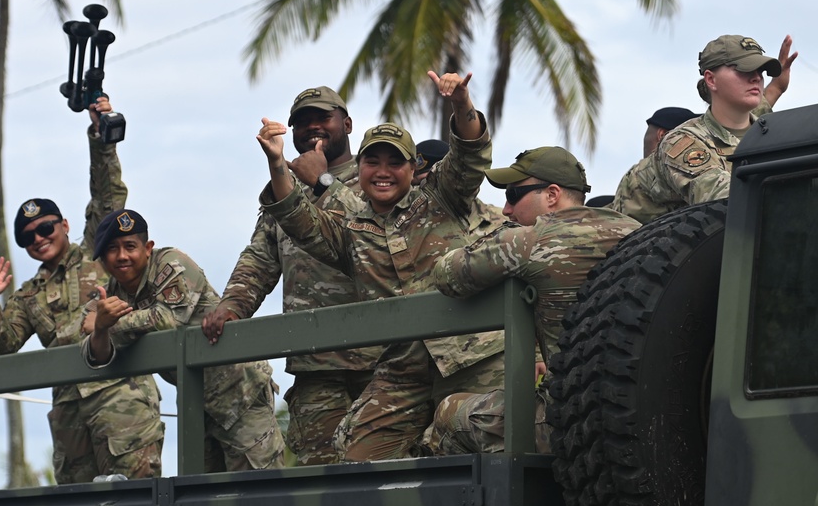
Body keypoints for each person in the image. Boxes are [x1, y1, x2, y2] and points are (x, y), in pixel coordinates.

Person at [256, 70, 506, 462]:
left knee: (496, 442)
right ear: (361, 168)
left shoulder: (441, 199)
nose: (384, 171)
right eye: (374, 161)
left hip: (469, 356)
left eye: (396, 162)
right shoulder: (352, 232)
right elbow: (296, 218)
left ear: (412, 169)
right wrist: (276, 163)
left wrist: (461, 103)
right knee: (356, 456)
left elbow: (470, 153)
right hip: (404, 368)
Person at [0, 98, 164, 483]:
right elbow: (4, 342)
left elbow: (107, 193)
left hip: (119, 394)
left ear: (63, 225)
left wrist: (100, 137)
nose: (38, 238)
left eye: (45, 228)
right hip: (69, 413)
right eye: (28, 237)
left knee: (138, 499)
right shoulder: (29, 295)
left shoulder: (99, 252)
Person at [202, 86, 380, 466]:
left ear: (346, 124)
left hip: (378, 358)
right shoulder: (284, 190)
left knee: (382, 472)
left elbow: (379, 237)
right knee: (321, 481)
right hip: (314, 363)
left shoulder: (375, 176)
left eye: (323, 118)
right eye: (302, 122)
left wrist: (323, 182)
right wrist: (232, 305)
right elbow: (260, 257)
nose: (312, 128)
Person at [427, 146, 640, 455]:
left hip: (570, 419)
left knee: (448, 412)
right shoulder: (636, 232)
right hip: (643, 407)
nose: (505, 210)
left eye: (514, 194)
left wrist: (504, 241)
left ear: (552, 194)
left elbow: (446, 275)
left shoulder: (530, 241)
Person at [83, 209, 285, 473]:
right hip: (194, 403)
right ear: (102, 259)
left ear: (148, 248)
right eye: (112, 249)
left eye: (129, 246)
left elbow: (169, 319)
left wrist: (111, 323)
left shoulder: (170, 262)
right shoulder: (108, 294)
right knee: (201, 500)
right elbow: (93, 349)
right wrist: (100, 329)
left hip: (240, 392)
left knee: (260, 492)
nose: (122, 256)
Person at [611, 34, 796, 224]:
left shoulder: (770, 135)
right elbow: (723, 197)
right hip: (658, 249)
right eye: (744, 70)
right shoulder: (683, 142)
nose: (756, 77)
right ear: (711, 80)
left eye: (761, 71)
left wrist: (776, 88)